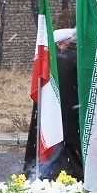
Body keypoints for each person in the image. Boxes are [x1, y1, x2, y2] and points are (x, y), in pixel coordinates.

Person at [22, 28, 83, 180]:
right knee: (66, 154)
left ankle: (40, 178)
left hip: (52, 114)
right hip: (70, 115)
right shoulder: (75, 58)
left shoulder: (50, 61)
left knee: (53, 153)